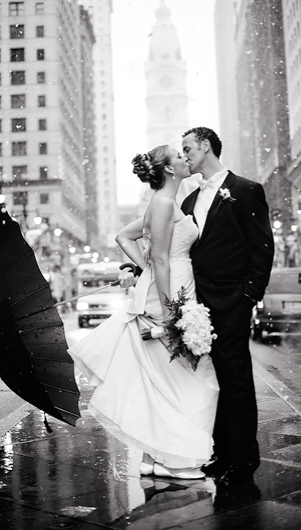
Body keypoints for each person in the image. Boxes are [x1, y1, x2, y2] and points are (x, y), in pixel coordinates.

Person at [68, 145, 219, 480]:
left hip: (168, 282)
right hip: (171, 289)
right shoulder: (164, 204)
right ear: (168, 169)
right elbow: (162, 258)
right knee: (188, 376)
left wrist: (144, 268)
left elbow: (125, 236)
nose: (184, 159)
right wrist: (169, 309)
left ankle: (153, 456)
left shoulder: (164, 203)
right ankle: (174, 460)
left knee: (163, 376)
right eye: (178, 157)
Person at [178, 126, 275, 489]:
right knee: (211, 380)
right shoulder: (188, 201)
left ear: (205, 147)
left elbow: (262, 248)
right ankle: (222, 452)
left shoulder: (246, 190)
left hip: (231, 303)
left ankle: (244, 458)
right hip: (197, 307)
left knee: (236, 381)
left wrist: (248, 296)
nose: (184, 154)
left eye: (187, 148)